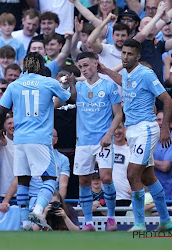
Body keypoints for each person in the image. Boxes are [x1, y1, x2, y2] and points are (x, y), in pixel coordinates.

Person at [100, 38, 172, 232]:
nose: (125, 57)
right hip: (132, 131)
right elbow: (124, 82)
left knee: (132, 173)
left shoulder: (146, 73)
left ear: (138, 56)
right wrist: (106, 71)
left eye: (130, 54)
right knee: (148, 177)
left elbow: (167, 100)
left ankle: (140, 223)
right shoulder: (128, 73)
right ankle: (166, 220)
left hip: (146, 128)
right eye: (123, 53)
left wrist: (165, 128)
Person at [0, 52, 76, 230]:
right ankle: (38, 210)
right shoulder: (48, 82)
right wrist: (70, 84)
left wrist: (0, 129)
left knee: (23, 179)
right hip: (40, 138)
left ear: (25, 66)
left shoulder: (15, 85)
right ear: (41, 66)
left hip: (20, 139)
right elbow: (70, 99)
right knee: (50, 178)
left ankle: (25, 222)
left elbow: (2, 110)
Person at [70, 52, 122, 232]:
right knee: (84, 181)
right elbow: (66, 98)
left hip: (103, 140)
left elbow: (118, 114)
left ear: (96, 64)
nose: (84, 69)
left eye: (86, 65)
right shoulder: (78, 86)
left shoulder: (109, 86)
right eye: (81, 66)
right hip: (83, 141)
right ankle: (89, 223)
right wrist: (68, 84)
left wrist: (109, 134)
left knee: (106, 177)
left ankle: (111, 218)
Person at [153, 111, 172, 200]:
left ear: (171, 124)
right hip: (150, 197)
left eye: (165, 120)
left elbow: (165, 167)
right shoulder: (151, 141)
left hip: (168, 197)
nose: (161, 123)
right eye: (158, 120)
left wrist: (146, 158)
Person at [112, 121, 132, 215]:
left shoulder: (131, 149)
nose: (116, 131)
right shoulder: (104, 147)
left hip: (127, 198)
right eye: (114, 128)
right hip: (106, 198)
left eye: (119, 127)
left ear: (125, 128)